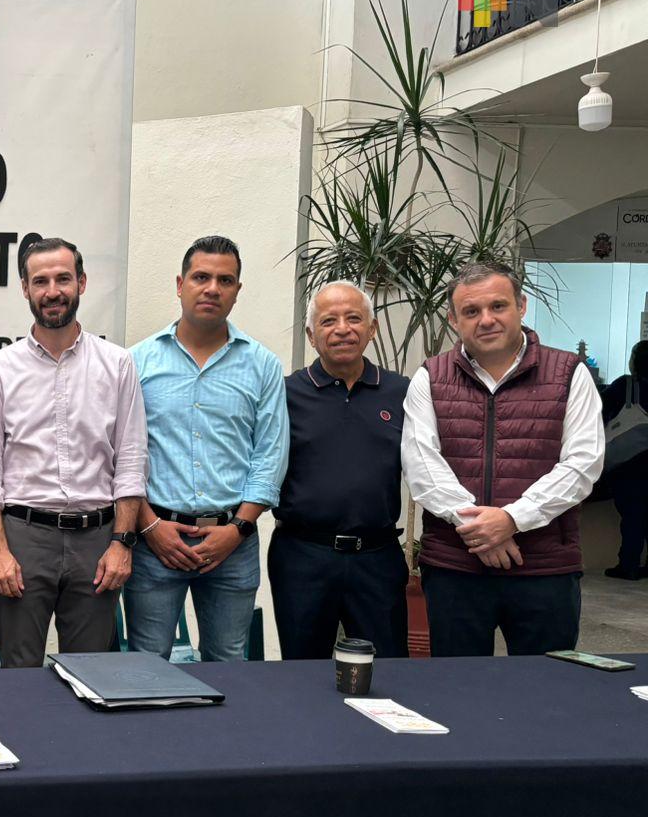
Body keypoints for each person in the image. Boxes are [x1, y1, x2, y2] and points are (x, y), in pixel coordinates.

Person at [403, 261, 604, 656]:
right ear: (453, 319)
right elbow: (421, 464)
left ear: (521, 306)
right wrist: (481, 529)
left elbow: (583, 463)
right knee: (457, 685)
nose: (486, 320)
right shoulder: (430, 376)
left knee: (546, 685)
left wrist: (512, 519)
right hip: (456, 569)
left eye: (498, 306)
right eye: (471, 311)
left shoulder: (569, 373)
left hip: (544, 568)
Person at [0, 237, 148, 668]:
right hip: (23, 539)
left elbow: (131, 460)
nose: (52, 291)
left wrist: (122, 544)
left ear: (81, 283)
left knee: (92, 673)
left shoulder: (117, 364)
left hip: (97, 542)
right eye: (41, 281)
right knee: (18, 673)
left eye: (63, 279)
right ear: (25, 289)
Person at [127, 235, 289, 662]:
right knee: (146, 665)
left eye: (225, 280)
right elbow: (121, 455)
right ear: (180, 285)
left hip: (232, 543)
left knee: (228, 662)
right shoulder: (137, 362)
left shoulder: (263, 366)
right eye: (201, 277)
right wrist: (149, 526)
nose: (212, 288)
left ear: (237, 290)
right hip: (155, 541)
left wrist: (237, 530)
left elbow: (270, 456)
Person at [269, 281, 409, 659]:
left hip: (378, 556)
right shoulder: (285, 394)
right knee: (302, 670)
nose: (342, 329)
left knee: (388, 671)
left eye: (354, 318)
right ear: (311, 336)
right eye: (329, 321)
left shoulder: (402, 392)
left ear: (372, 329)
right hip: (302, 556)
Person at [601, 339, 648, 579]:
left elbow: (597, 409)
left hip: (629, 463)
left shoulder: (624, 385)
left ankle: (628, 564)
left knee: (632, 514)